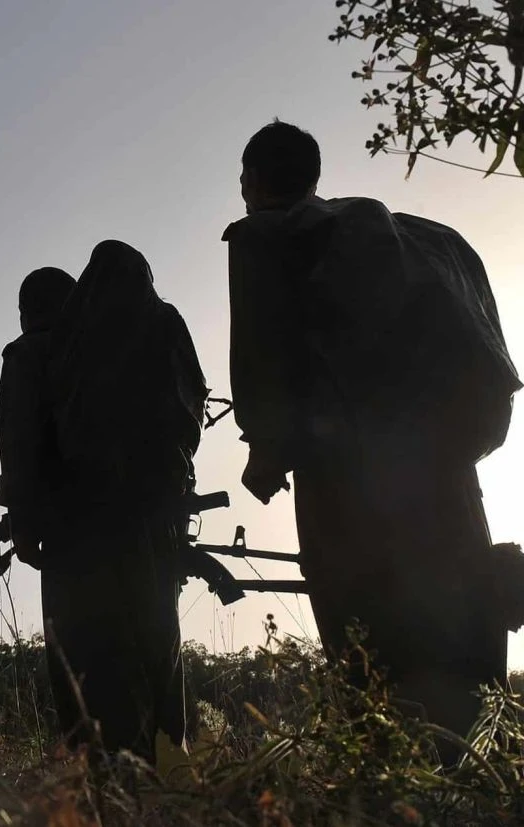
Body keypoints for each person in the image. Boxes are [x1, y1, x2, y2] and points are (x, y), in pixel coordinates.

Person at [224, 120, 520, 745]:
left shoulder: (265, 237)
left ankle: (390, 788)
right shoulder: (425, 240)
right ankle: (471, 784)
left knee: (369, 655)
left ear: (251, 181)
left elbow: (260, 358)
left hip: (345, 487)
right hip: (447, 475)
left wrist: (267, 452)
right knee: (459, 630)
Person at [0, 250, 206, 762]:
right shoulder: (149, 333)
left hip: (76, 532)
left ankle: (101, 781)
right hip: (157, 524)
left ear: (27, 311)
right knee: (157, 647)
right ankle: (167, 769)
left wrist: (25, 525)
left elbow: (20, 445)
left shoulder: (33, 354)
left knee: (85, 659)